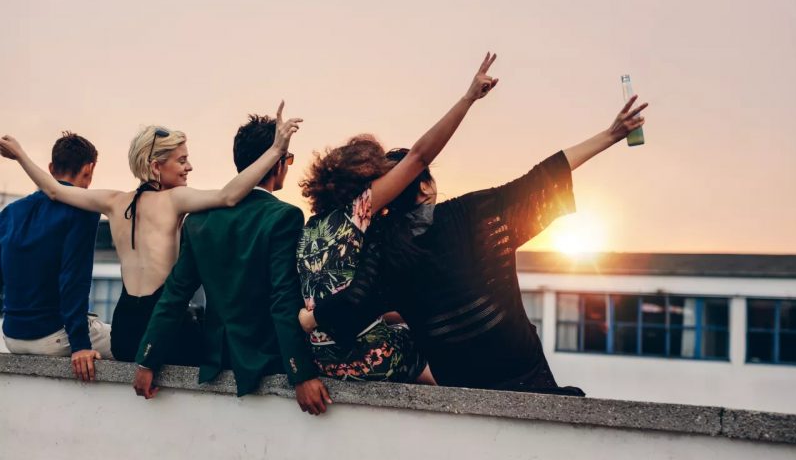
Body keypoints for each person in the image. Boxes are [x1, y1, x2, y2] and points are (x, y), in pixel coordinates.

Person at [300, 94, 649, 395]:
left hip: (458, 385)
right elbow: (543, 177)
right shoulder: (473, 214)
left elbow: (355, 304)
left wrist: (309, 320)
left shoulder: (383, 248)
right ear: (425, 187)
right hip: (522, 373)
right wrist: (612, 134)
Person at [0, 102, 301, 364]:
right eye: (182, 160)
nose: (189, 167)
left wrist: (20, 155)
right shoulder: (175, 201)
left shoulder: (113, 201)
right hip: (166, 329)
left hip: (125, 329)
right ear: (156, 166)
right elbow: (229, 196)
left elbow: (52, 189)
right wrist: (275, 150)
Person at [296, 53, 499, 384]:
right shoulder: (359, 210)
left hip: (323, 360)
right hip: (367, 359)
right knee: (426, 344)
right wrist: (467, 99)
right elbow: (419, 156)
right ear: (366, 178)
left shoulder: (311, 228)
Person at [133, 114, 331, 415]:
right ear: (275, 163)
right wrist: (301, 372)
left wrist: (147, 359)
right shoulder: (285, 217)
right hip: (266, 359)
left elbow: (175, 295)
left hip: (215, 357)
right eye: (287, 160)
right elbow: (283, 298)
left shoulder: (199, 220)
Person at [0, 132, 111, 382]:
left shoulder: (11, 212)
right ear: (89, 168)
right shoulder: (84, 208)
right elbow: (73, 279)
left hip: (12, 335)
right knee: (132, 343)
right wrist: (81, 345)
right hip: (53, 336)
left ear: (51, 168)